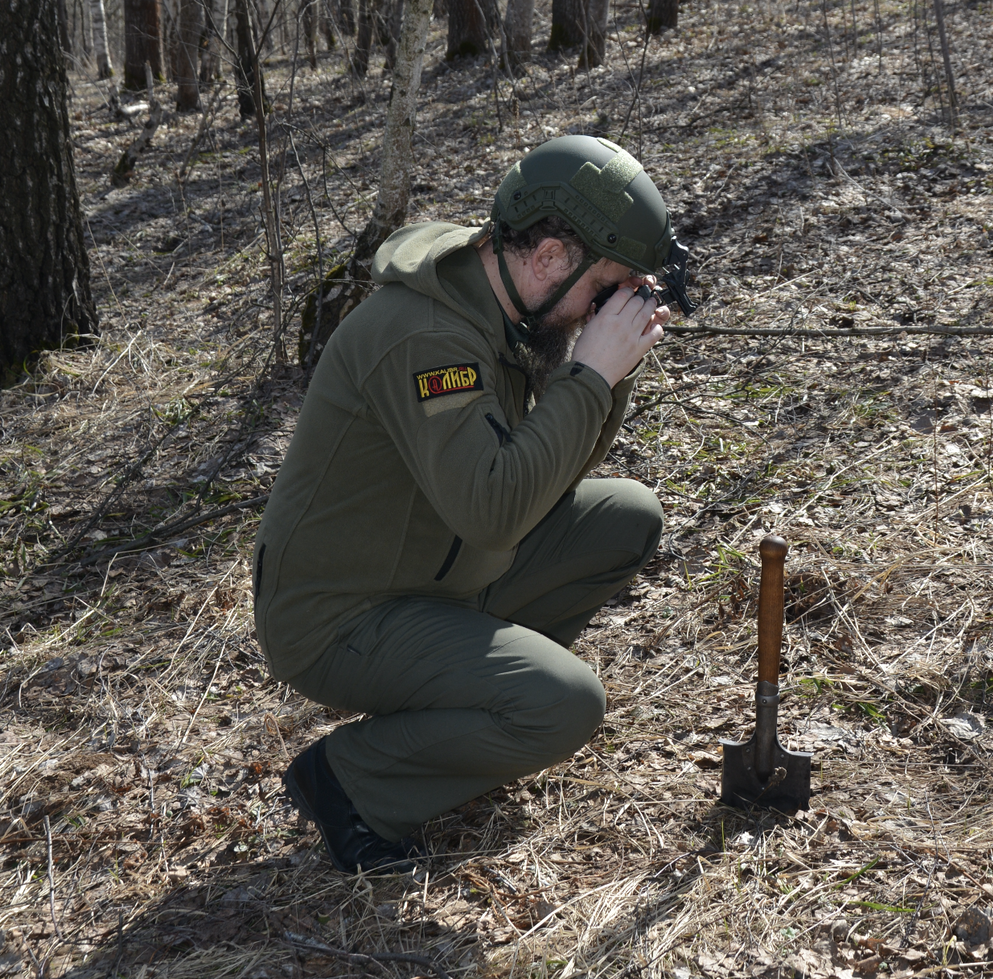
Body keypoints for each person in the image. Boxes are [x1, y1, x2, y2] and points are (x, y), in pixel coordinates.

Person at [252, 135, 690, 874]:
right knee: (566, 704)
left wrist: (605, 374)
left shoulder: (504, 297)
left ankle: (458, 720)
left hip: (432, 571)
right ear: (551, 257)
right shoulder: (429, 337)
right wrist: (589, 375)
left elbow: (546, 478)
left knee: (627, 517)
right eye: (601, 288)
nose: (598, 308)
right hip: (338, 616)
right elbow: (493, 510)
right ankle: (354, 780)